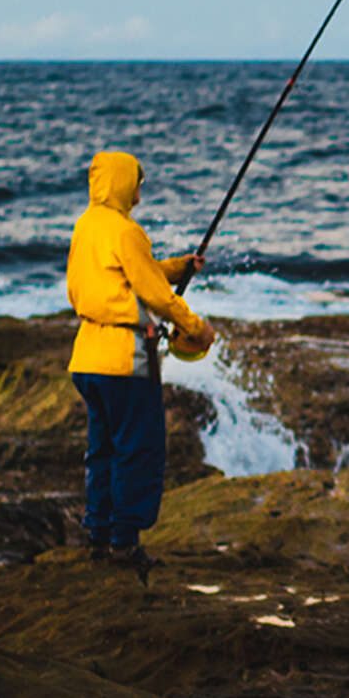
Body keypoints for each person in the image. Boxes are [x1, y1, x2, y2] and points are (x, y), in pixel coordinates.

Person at [65, 150, 213, 581]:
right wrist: (197, 327)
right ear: (124, 183)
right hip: (124, 363)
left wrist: (176, 267)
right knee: (138, 450)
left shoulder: (86, 225)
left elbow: (126, 276)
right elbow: (156, 298)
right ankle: (125, 544)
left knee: (102, 451)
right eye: (138, 185)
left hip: (87, 358)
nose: (140, 196)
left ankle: (99, 536)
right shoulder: (126, 230)